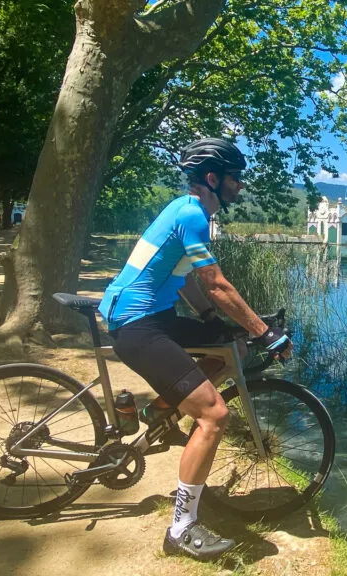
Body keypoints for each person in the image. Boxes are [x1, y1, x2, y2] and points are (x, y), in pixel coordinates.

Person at [98, 137, 293, 560]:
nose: (240, 185)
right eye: (235, 177)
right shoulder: (192, 215)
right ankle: (181, 530)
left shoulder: (184, 210)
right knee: (214, 414)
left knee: (235, 347)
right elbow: (216, 284)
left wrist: (214, 323)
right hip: (137, 323)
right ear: (212, 179)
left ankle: (158, 411)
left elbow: (184, 277)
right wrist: (265, 332)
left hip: (156, 314)